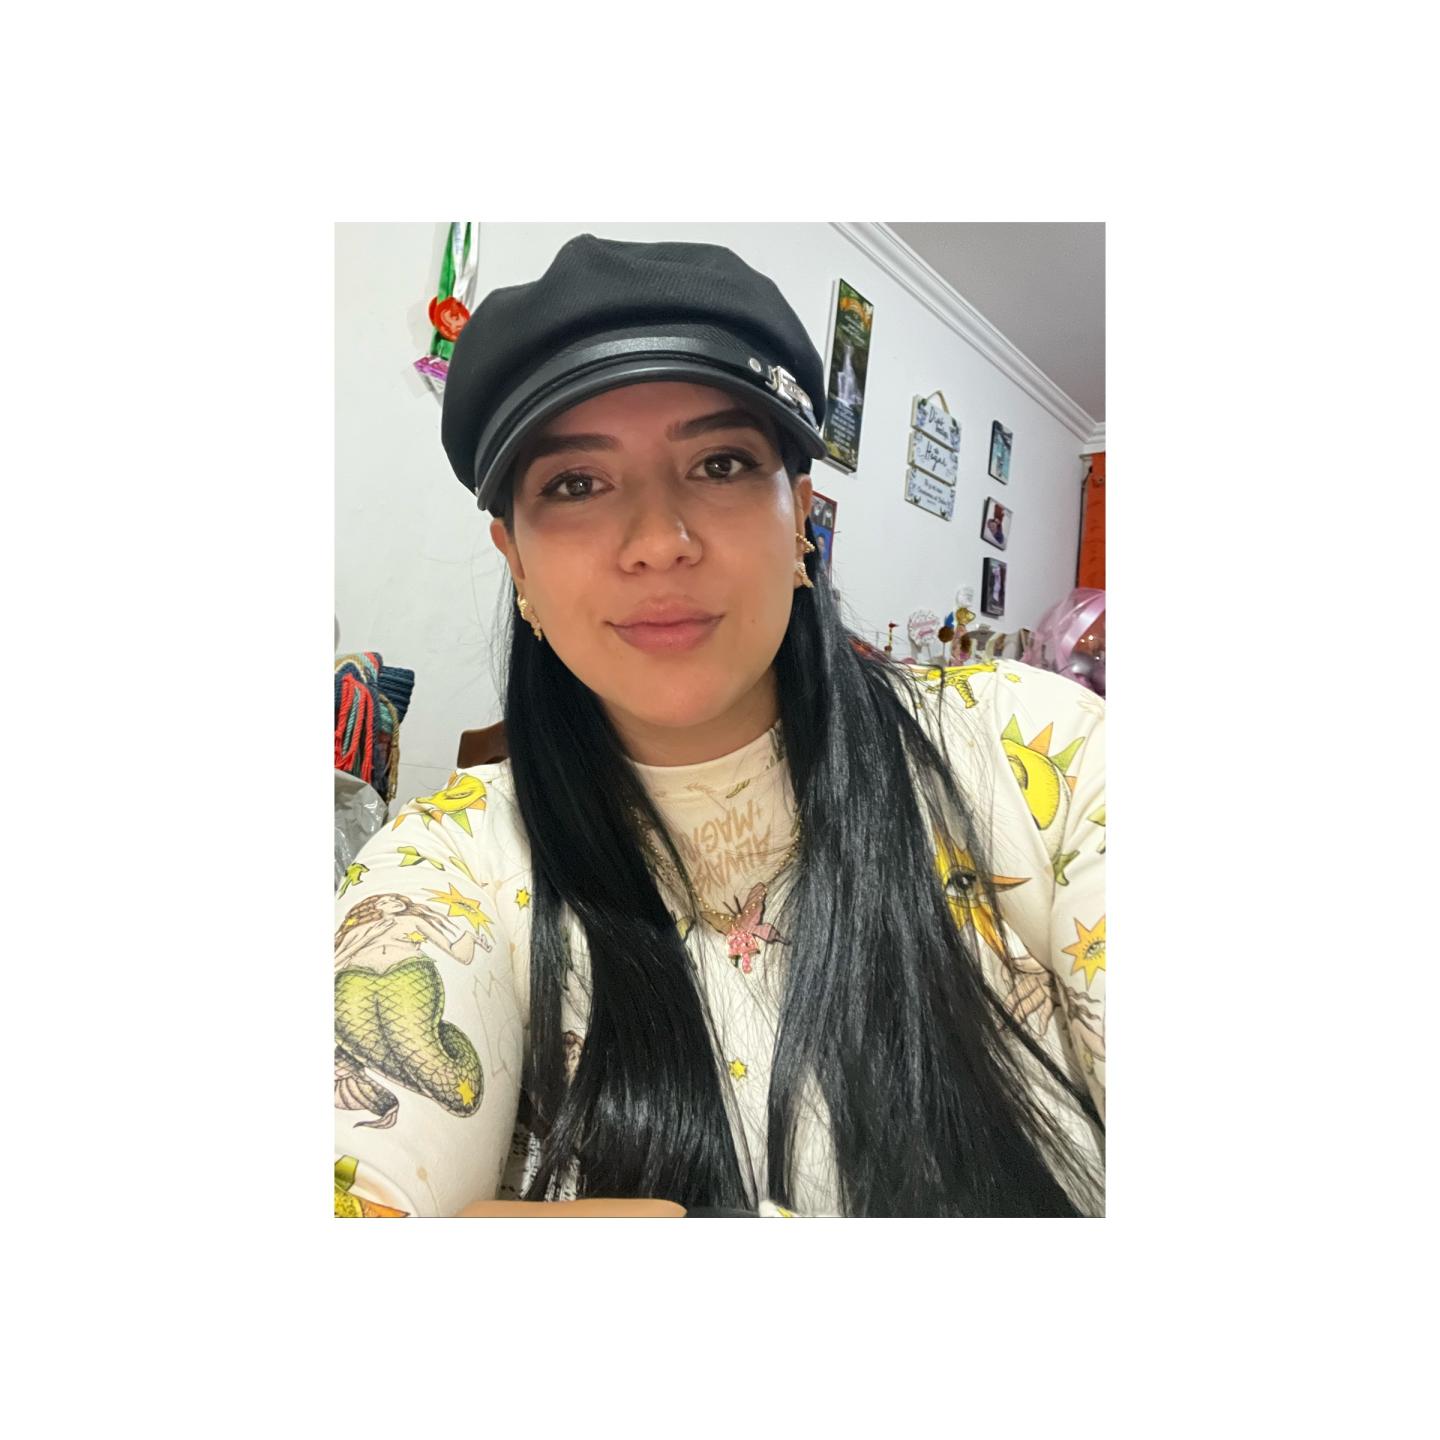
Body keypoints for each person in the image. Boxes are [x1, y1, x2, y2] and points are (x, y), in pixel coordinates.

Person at [334, 234, 1106, 1218]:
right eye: (575, 484)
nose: (659, 543)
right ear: (515, 559)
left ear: (802, 518)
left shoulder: (1035, 749)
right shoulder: (449, 864)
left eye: (722, 462)